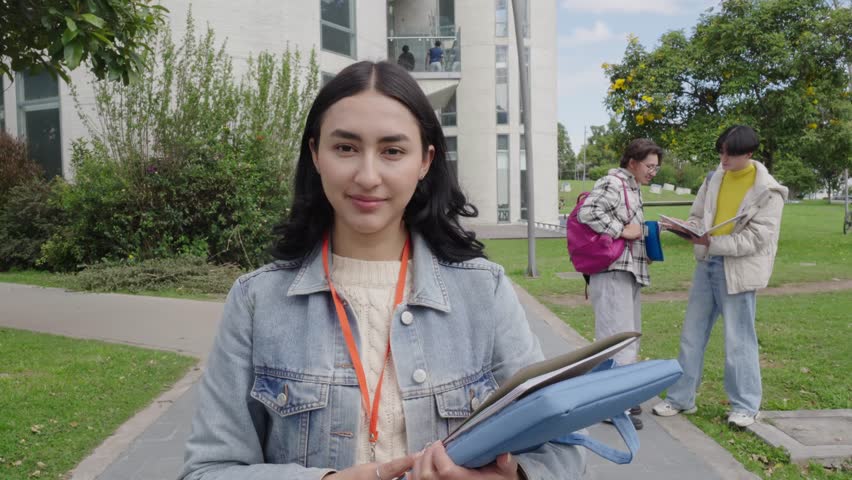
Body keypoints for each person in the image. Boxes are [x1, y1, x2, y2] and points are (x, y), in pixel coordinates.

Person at [179, 61, 585, 480]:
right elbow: (208, 468)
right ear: (316, 153)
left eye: (392, 151)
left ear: (425, 161)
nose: (367, 176)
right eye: (346, 148)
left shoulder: (485, 292)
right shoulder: (256, 301)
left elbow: (563, 449)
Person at [652, 125, 787, 428]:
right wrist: (690, 228)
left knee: (739, 339)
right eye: (721, 151)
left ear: (749, 154)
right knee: (691, 334)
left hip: (737, 270)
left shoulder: (769, 191)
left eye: (730, 153)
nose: (723, 158)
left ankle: (746, 406)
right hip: (707, 265)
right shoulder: (714, 178)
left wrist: (712, 242)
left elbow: (756, 239)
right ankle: (681, 398)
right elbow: (698, 214)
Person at [577, 138, 663, 430]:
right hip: (613, 272)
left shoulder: (631, 188)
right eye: (649, 166)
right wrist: (623, 231)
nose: (654, 171)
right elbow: (587, 212)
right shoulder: (614, 183)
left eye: (656, 167)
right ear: (633, 163)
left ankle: (619, 397)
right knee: (617, 340)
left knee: (625, 336)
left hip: (624, 272)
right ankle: (611, 405)